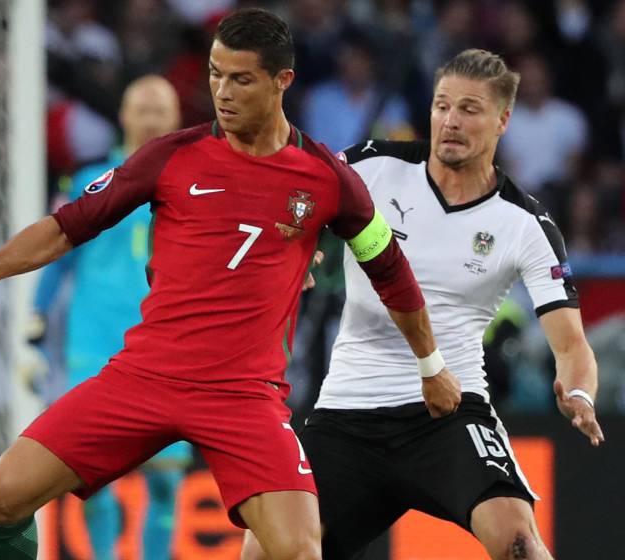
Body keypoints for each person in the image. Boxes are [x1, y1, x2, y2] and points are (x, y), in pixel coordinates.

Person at [0, 9, 461, 560]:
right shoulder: (171, 156)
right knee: (1, 497)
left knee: (299, 551)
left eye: (241, 79)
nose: (222, 92)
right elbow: (66, 228)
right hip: (145, 376)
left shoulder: (327, 178)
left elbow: (389, 268)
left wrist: (431, 366)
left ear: (282, 81)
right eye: (215, 74)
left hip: (244, 396)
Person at [242, 49, 605, 560]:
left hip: (450, 410)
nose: (450, 121)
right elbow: (292, 195)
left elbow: (571, 345)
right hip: (349, 410)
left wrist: (580, 394)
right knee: (264, 552)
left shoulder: (525, 223)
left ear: (503, 120)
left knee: (518, 542)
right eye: (442, 106)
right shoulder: (371, 166)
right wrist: (293, 244)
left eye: (470, 109)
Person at [29, 75, 189, 560]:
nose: (150, 118)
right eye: (142, 108)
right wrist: (36, 317)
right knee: (90, 476)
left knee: (165, 481)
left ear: (176, 118)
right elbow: (58, 251)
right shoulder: (90, 181)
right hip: (95, 344)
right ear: (122, 116)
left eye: (159, 109)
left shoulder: (196, 184)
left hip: (167, 349)